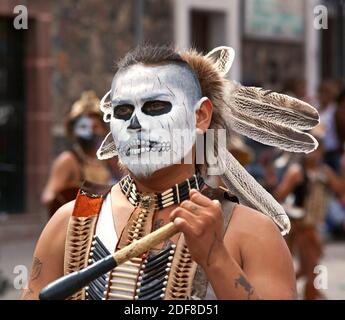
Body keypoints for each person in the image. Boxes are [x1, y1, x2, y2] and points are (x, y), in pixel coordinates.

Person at [23, 45, 320, 300]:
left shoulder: (253, 232)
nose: (135, 124)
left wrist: (216, 258)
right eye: (123, 112)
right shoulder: (72, 220)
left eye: (155, 106)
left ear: (200, 116)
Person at [274, 136, 344, 299]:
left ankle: (284, 291)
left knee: (309, 269)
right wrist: (290, 211)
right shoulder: (297, 172)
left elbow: (340, 189)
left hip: (313, 227)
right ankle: (288, 292)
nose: (314, 154)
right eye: (311, 150)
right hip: (299, 228)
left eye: (318, 150)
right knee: (311, 269)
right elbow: (278, 195)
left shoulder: (324, 172)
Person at [41, 91, 122, 217]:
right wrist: (73, 194)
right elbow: (48, 198)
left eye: (95, 126)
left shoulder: (110, 159)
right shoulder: (68, 160)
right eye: (84, 127)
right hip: (79, 225)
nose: (91, 131)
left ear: (103, 129)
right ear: (73, 132)